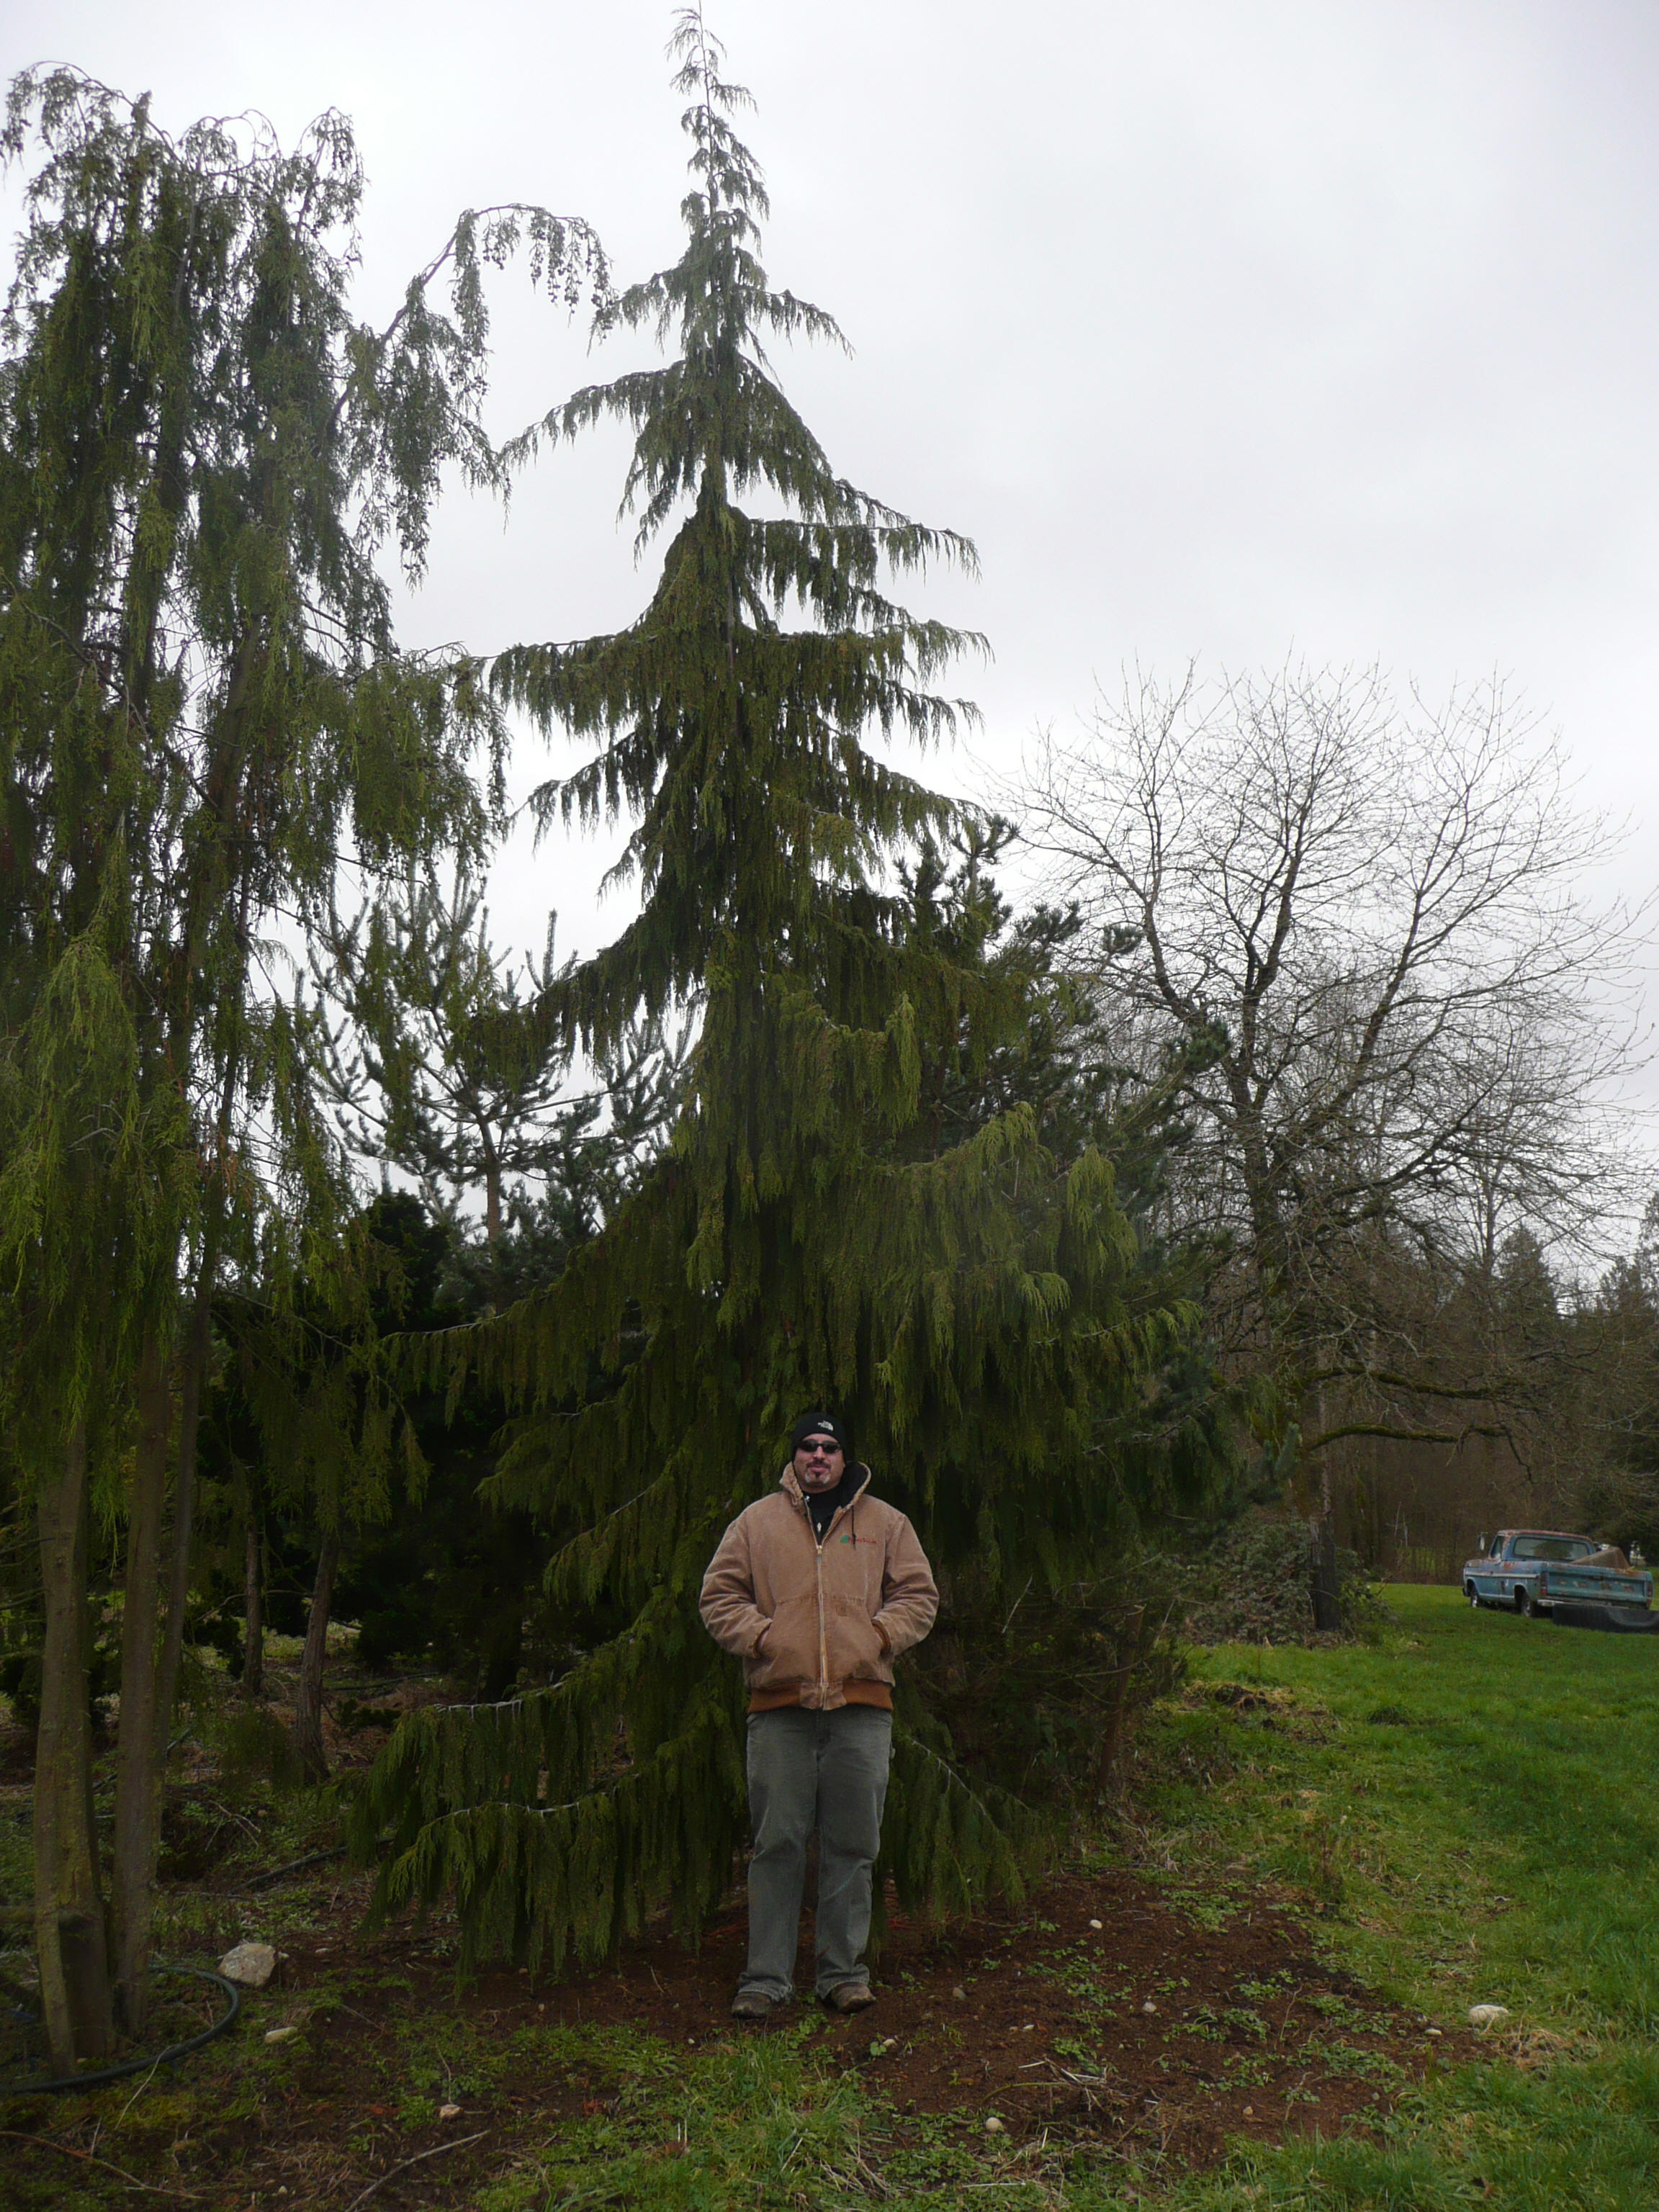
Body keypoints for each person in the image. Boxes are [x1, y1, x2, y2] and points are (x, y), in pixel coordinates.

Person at [699, 1411, 939, 2019]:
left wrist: (878, 1636)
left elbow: (919, 1596)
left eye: (829, 1447)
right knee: (776, 1843)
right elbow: (718, 1596)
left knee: (852, 1844)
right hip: (779, 1710)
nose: (817, 1456)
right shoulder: (757, 1523)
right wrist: (764, 1639)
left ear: (843, 1458)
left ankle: (842, 1974)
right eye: (807, 1446)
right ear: (794, 1458)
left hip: (862, 1709)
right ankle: (765, 1980)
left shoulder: (886, 1524)